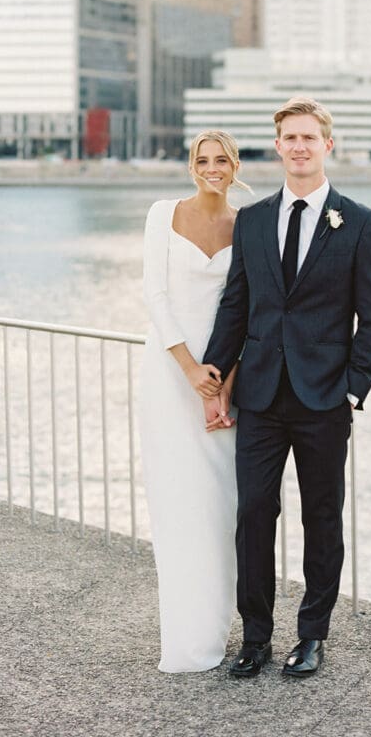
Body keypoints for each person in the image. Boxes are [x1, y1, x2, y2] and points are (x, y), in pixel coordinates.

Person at [201, 96, 371, 678]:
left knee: (322, 518)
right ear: (278, 146)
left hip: (324, 400)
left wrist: (353, 389)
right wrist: (214, 375)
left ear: (327, 145)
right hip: (258, 395)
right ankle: (255, 636)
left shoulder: (358, 221)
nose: (300, 147)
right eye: (291, 138)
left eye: (311, 137)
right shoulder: (252, 220)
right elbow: (238, 303)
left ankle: (312, 636)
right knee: (254, 514)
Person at [139, 130, 248, 672]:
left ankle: (216, 628)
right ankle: (183, 638)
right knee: (176, 502)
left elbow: (246, 304)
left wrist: (223, 377)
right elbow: (154, 295)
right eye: (202, 160)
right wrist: (188, 369)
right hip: (170, 372)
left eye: (221, 159)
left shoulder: (246, 224)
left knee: (218, 504)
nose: (212, 167)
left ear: (234, 165)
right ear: (191, 166)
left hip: (224, 379)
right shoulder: (163, 215)